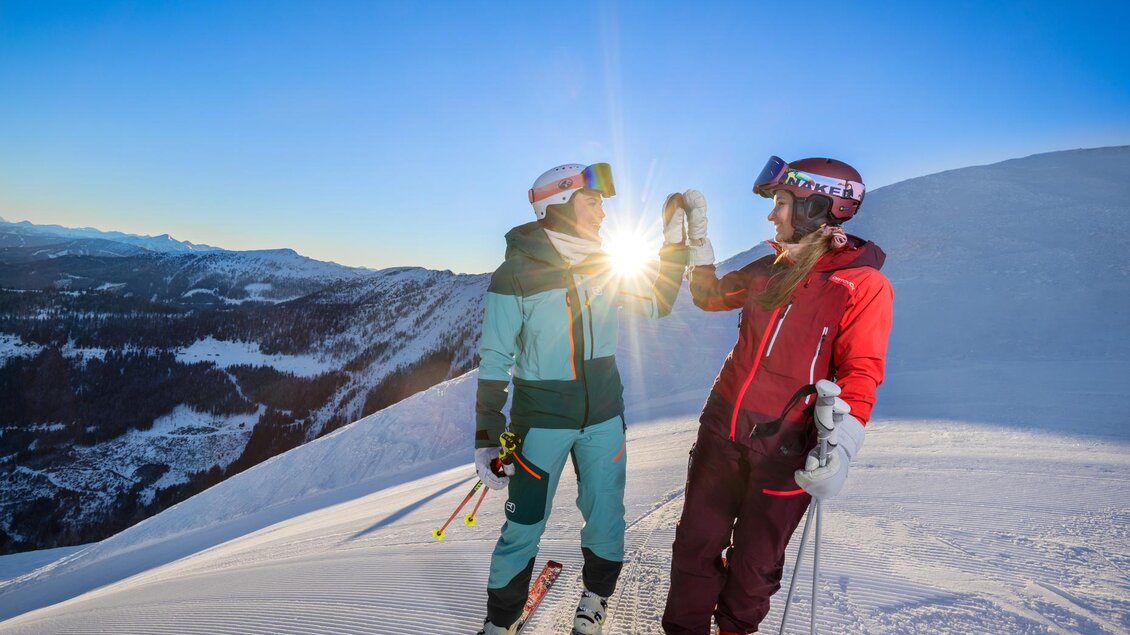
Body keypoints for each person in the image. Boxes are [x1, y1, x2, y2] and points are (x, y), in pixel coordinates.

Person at [661, 156, 893, 635]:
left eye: (782, 203)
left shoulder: (861, 284)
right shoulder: (771, 268)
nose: (772, 215)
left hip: (787, 446)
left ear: (818, 206)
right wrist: (696, 242)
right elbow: (709, 296)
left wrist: (842, 445)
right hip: (723, 429)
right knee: (694, 548)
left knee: (755, 566)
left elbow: (861, 370)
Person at [475, 163, 689, 635]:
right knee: (524, 524)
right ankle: (500, 622)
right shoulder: (516, 273)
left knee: (606, 513)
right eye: (593, 202)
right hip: (541, 422)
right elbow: (495, 358)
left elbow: (657, 302)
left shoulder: (603, 264)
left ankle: (595, 599)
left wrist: (674, 245)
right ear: (560, 204)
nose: (602, 213)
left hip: (605, 418)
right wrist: (487, 434)